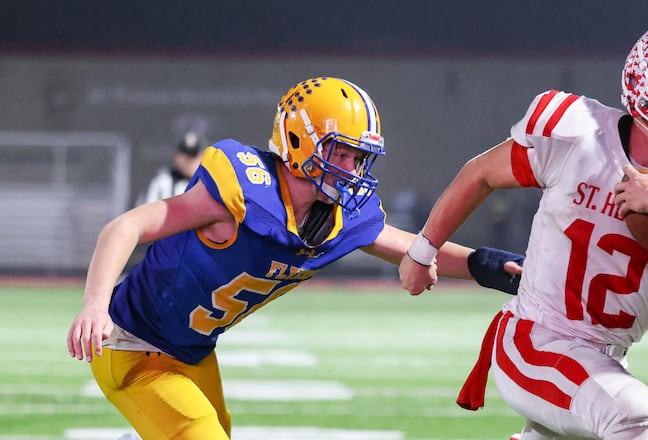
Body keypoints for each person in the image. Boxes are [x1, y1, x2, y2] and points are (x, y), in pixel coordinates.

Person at [66, 77, 521, 440]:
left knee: (217, 432)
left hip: (192, 351)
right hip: (135, 346)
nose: (350, 168)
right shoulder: (240, 192)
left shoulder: (340, 215)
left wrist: (493, 269)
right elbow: (125, 227)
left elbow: (420, 249)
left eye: (358, 156)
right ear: (299, 142)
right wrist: (93, 304)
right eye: (339, 151)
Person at [399, 22, 648, 440]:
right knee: (633, 415)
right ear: (639, 79)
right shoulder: (579, 134)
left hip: (605, 358)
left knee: (617, 411)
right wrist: (422, 252)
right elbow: (479, 174)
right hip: (536, 337)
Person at [139, 131, 205, 204]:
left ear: (201, 157)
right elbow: (148, 209)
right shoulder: (163, 182)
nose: (189, 161)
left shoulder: (208, 183)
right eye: (186, 156)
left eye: (193, 156)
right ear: (176, 157)